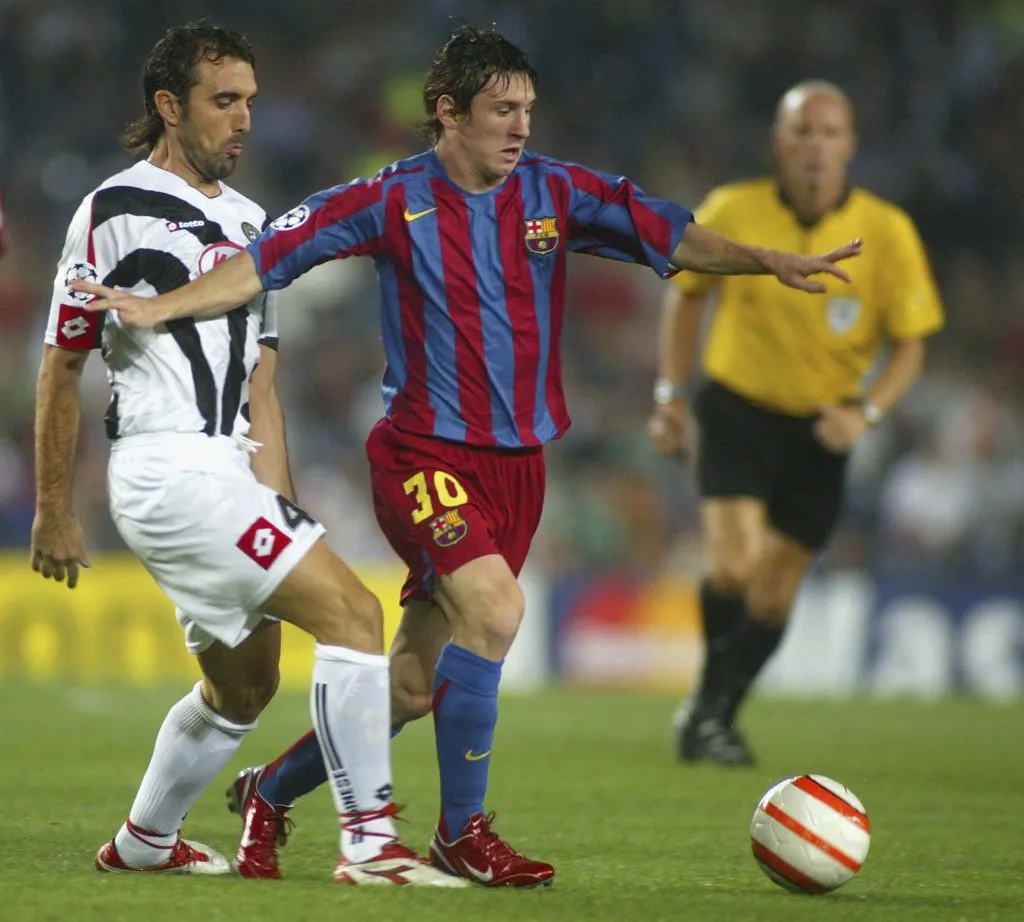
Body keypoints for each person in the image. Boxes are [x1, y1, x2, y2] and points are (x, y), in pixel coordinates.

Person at [73, 27, 861, 888]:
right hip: (421, 455)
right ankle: (462, 832)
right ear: (447, 113)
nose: (520, 127)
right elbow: (264, 262)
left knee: (410, 686)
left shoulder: (558, 191)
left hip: (517, 467)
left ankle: (272, 789)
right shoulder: (386, 198)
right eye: (501, 111)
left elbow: (674, 237)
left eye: (527, 109)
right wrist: (162, 309)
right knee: (495, 609)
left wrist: (765, 263)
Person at [32, 21, 462, 888]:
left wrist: (284, 503)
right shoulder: (112, 209)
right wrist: (52, 508)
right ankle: (371, 843)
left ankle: (144, 840)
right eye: (224, 102)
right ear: (168, 105)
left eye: (251, 104)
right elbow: (63, 361)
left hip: (226, 473)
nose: (244, 121)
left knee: (245, 689)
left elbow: (263, 383)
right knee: (355, 617)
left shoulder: (252, 220)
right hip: (165, 467)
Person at [647, 80, 944, 766]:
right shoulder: (733, 208)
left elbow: (911, 345)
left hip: (822, 428)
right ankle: (710, 712)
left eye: (829, 132)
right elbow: (686, 295)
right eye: (802, 132)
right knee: (733, 565)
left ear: (850, 146)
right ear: (780, 143)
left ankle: (711, 710)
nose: (816, 146)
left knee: (775, 593)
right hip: (736, 407)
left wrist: (866, 414)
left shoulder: (888, 233)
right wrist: (670, 394)